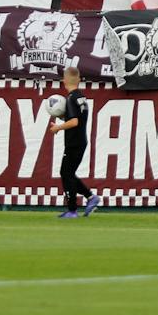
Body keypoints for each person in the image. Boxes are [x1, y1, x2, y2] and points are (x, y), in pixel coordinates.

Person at [48, 65, 100, 219]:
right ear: (78, 80)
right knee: (68, 173)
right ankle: (90, 198)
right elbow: (76, 119)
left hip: (74, 142)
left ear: (64, 81)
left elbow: (75, 122)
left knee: (66, 173)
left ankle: (72, 210)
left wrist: (58, 127)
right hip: (80, 141)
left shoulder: (71, 99)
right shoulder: (81, 97)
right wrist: (64, 118)